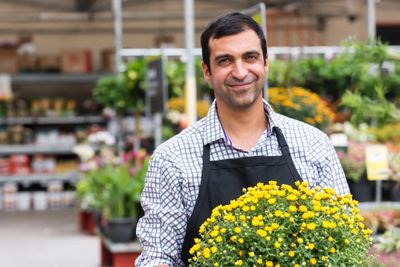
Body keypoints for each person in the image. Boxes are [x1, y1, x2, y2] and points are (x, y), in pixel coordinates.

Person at [135, 12, 349, 267]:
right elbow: (159, 255)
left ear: (265, 62)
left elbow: (342, 237)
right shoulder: (172, 158)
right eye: (225, 60)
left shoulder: (313, 144)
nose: (240, 72)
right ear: (207, 71)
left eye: (250, 57)